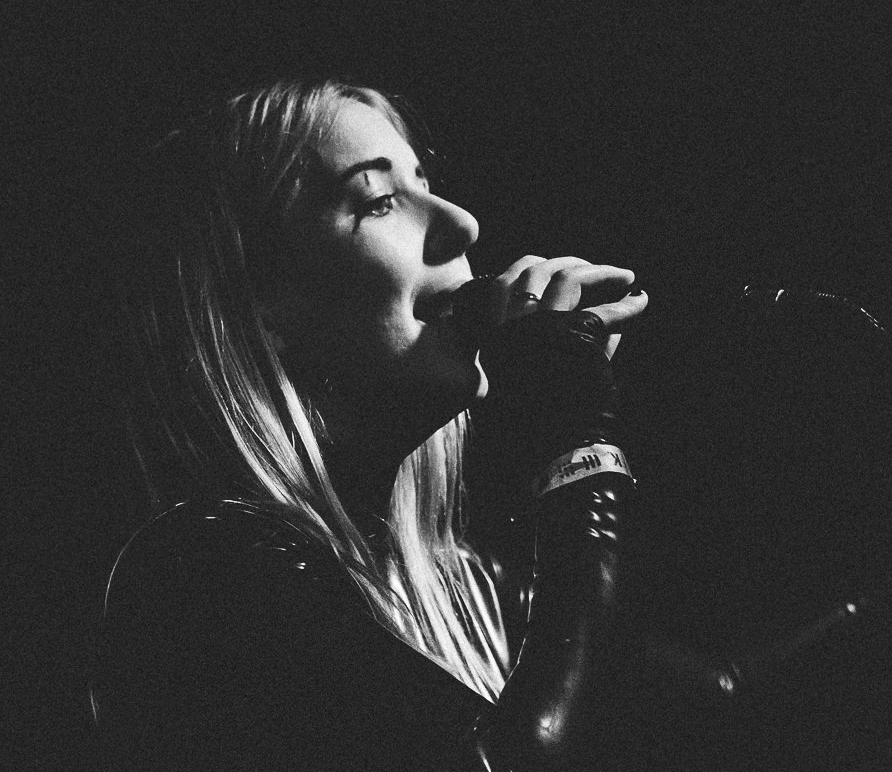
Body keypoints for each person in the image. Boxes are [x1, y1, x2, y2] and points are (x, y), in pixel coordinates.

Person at [90, 78, 648, 770]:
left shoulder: (485, 590)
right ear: (261, 305)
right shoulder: (202, 584)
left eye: (425, 182)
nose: (463, 223)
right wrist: (579, 451)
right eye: (378, 201)